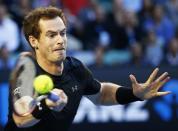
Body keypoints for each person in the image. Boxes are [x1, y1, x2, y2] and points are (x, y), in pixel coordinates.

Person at [4, 6, 170, 131]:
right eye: (52, 35)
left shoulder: (75, 68)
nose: (60, 40)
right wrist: (47, 104)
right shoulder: (25, 71)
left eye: (63, 33)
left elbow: (101, 94)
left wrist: (134, 94)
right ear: (34, 41)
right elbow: (21, 118)